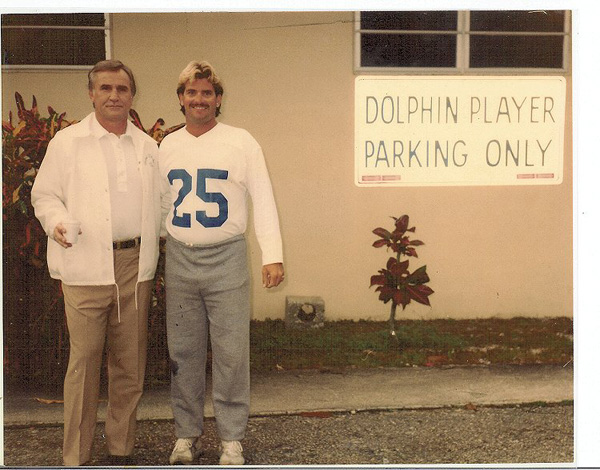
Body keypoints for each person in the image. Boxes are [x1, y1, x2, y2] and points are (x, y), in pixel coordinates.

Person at [31, 60, 161, 466]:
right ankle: (77, 457)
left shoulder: (147, 147)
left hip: (134, 266)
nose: (113, 96)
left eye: (121, 89)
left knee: (129, 366)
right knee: (85, 363)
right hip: (86, 265)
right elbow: (45, 196)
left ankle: (121, 451)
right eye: (105, 88)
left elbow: (164, 203)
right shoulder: (67, 143)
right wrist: (57, 222)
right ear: (91, 94)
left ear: (131, 96)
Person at [159, 60, 284, 466]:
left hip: (227, 256)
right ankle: (186, 435)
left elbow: (262, 197)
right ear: (181, 99)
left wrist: (273, 255)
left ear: (218, 99)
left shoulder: (241, 141)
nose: (199, 99)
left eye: (207, 92)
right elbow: (160, 204)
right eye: (191, 92)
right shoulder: (167, 144)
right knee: (184, 351)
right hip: (180, 256)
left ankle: (231, 438)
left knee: (231, 352)